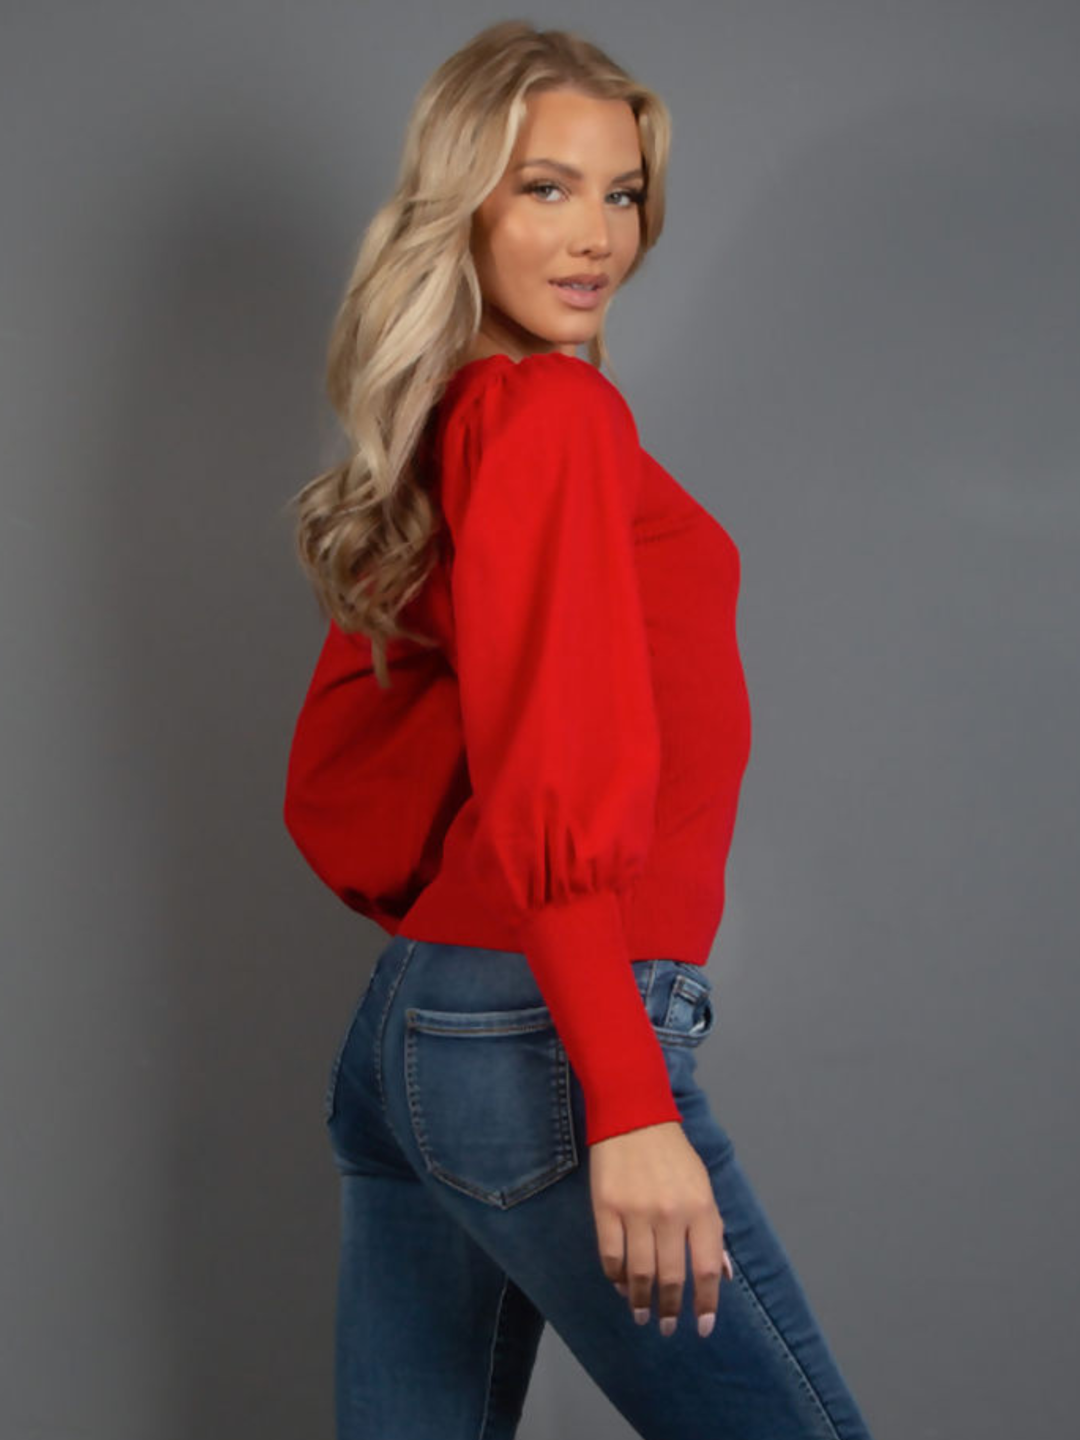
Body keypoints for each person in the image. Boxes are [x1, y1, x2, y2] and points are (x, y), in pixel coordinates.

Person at [283, 19, 878, 1440]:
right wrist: (624, 1098)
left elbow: (355, 773)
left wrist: (457, 968)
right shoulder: (549, 418)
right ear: (462, 204)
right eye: (544, 188)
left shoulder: (463, 419)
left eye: (621, 193)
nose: (595, 233)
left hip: (429, 1025)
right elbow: (553, 766)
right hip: (546, 1029)